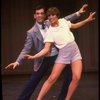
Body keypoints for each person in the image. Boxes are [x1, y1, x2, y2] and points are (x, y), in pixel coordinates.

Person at [5, 4, 88, 100]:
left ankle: (63, 98)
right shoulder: (31, 32)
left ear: (44, 15)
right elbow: (26, 49)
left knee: (70, 76)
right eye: (37, 14)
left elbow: (65, 19)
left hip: (58, 54)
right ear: (34, 16)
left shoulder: (51, 21)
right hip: (43, 57)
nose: (39, 15)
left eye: (41, 13)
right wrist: (17, 62)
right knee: (34, 80)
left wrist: (78, 13)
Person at [23, 7, 96, 100]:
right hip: (64, 54)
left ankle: (67, 98)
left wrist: (87, 20)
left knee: (76, 77)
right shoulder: (50, 32)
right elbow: (46, 49)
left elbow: (75, 25)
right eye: (49, 16)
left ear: (57, 16)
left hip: (75, 52)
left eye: (53, 15)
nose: (50, 17)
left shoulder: (63, 22)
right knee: (52, 78)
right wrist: (34, 57)